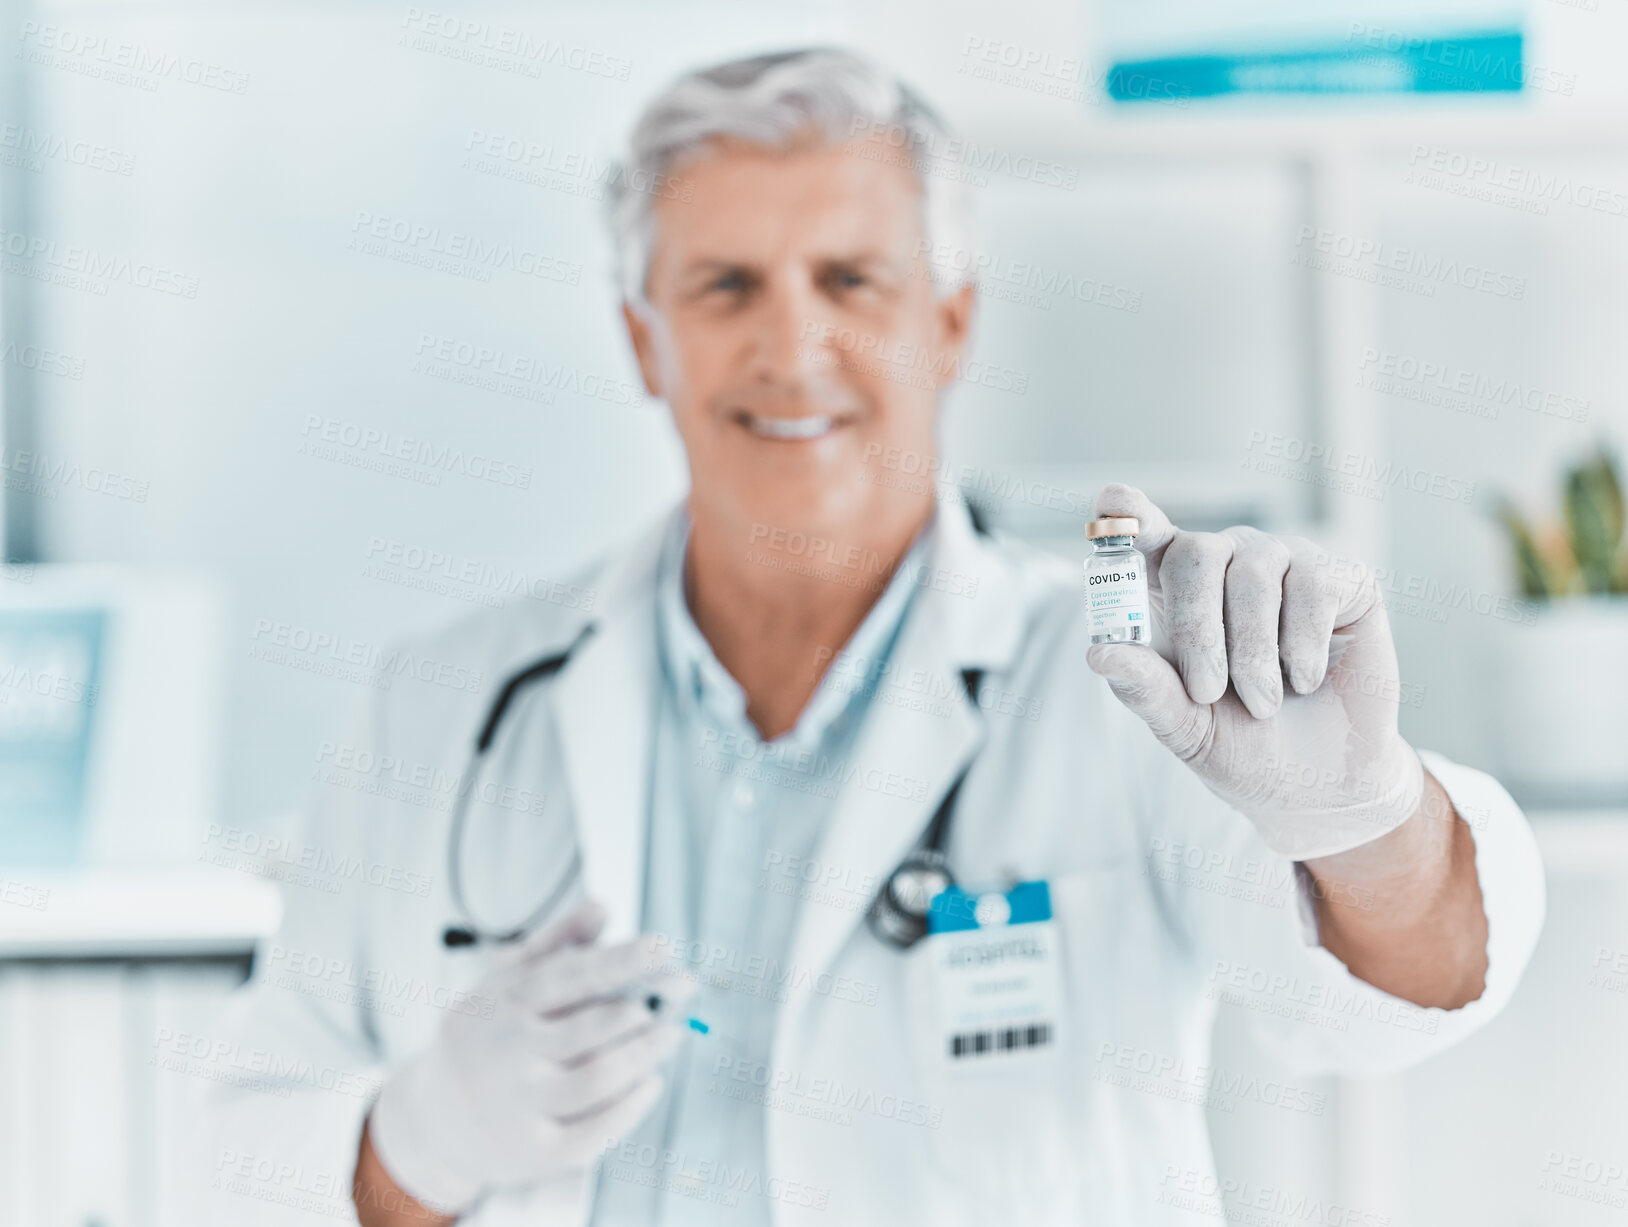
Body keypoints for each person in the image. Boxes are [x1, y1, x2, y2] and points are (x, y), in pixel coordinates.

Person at [202, 47, 1544, 1227]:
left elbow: (1389, 1001)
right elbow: (236, 1167)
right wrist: (411, 1143)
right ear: (642, 341)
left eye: (850, 278)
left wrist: (1361, 824)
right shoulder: (446, 704)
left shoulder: (1127, 695)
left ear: (949, 323)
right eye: (726, 286)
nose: (793, 345)